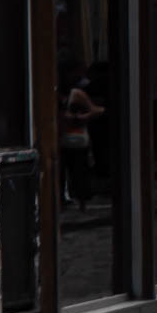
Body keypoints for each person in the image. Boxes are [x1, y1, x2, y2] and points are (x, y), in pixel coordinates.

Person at [60, 68, 104, 209]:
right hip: (62, 140)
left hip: (78, 139)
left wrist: (80, 117)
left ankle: (82, 199)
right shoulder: (54, 95)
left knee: (79, 172)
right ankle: (66, 198)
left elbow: (97, 110)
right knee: (63, 172)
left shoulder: (77, 94)